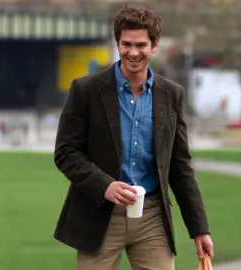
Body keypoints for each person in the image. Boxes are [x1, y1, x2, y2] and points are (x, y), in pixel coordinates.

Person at [53, 5, 213, 270]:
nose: (133, 52)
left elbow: (180, 165)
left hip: (151, 216)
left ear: (154, 45)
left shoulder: (172, 94)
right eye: (126, 44)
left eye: (141, 44)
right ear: (118, 44)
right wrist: (105, 185)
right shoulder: (86, 90)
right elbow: (66, 153)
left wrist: (200, 229)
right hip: (99, 214)